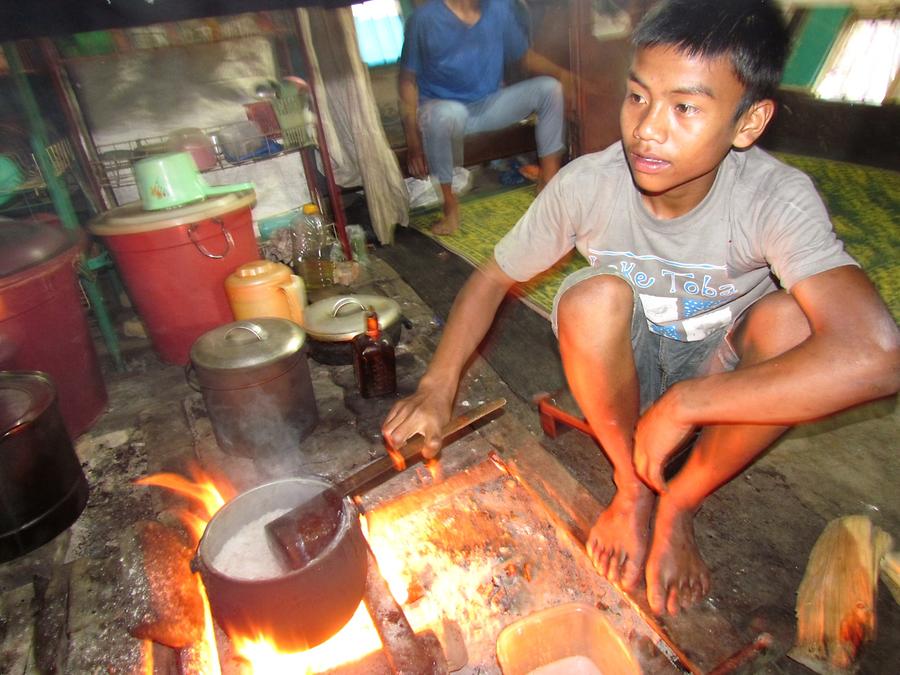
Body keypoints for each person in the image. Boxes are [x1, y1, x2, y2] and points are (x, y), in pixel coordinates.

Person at [384, 0, 900, 616]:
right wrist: (440, 386)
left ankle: (680, 502)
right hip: (621, 374)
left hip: (720, 374)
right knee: (588, 299)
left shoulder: (773, 197)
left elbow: (876, 354)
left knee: (792, 322)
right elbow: (493, 277)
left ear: (748, 122)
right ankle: (631, 492)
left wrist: (690, 402)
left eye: (685, 107)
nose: (647, 129)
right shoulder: (589, 183)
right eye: (637, 97)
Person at [399, 0, 571, 235]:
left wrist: (564, 75)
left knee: (550, 89)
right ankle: (450, 207)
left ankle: (547, 186)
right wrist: (413, 140)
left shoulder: (498, 8)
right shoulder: (424, 19)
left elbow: (525, 57)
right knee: (446, 115)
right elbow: (407, 80)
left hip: (489, 105)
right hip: (445, 111)